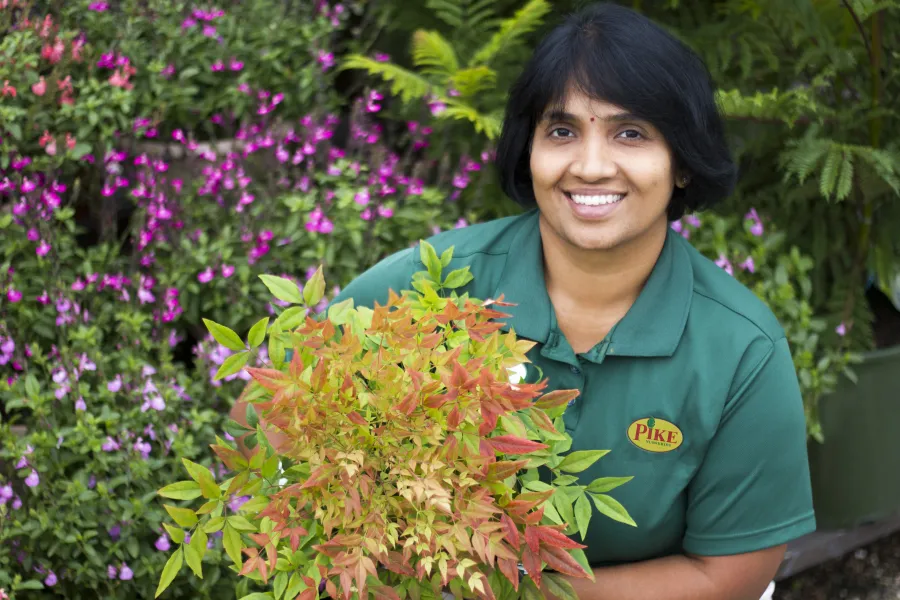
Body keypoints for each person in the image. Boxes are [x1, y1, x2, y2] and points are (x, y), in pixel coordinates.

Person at [234, 3, 816, 598]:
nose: (591, 166)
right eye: (562, 131)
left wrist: (509, 593)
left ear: (683, 164)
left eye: (631, 133)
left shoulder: (739, 348)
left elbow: (729, 577)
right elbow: (262, 421)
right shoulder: (428, 286)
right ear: (528, 150)